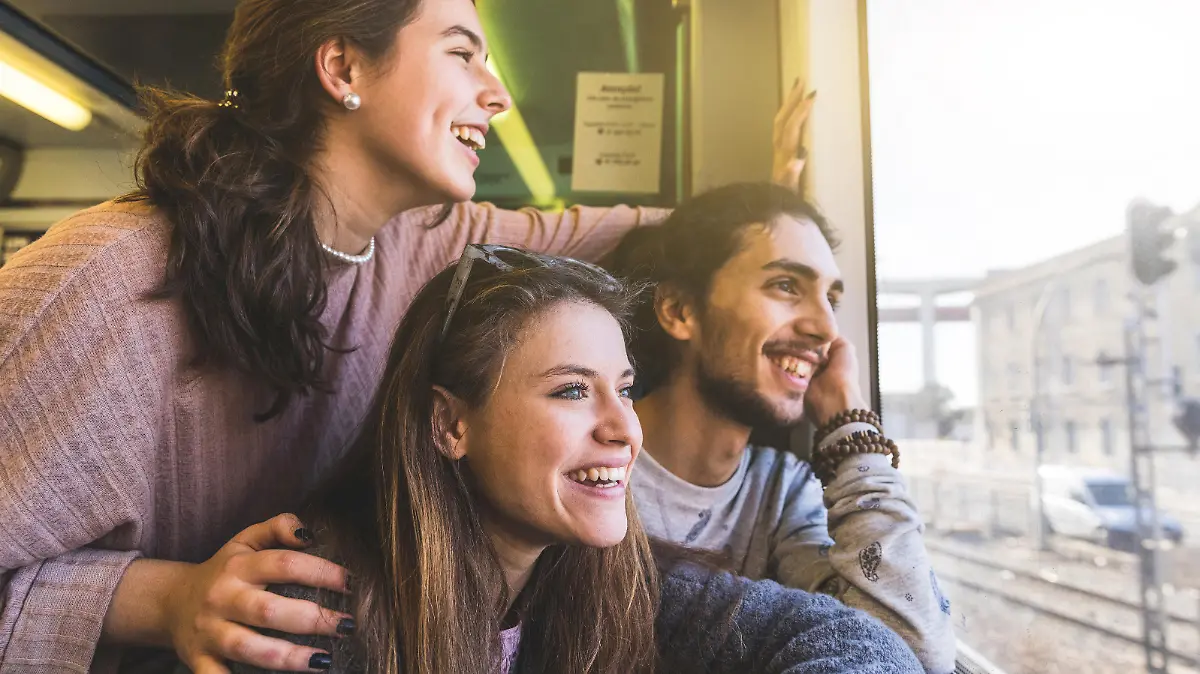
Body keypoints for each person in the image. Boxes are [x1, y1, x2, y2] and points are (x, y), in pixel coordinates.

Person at [0, 0, 815, 670]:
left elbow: (620, 231)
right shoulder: (104, 279)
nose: (497, 94)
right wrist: (164, 598)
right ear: (343, 68)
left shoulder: (418, 241)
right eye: (464, 54)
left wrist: (768, 216)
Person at [223, 244, 925, 673]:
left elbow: (873, 648)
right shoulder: (315, 604)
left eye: (624, 389)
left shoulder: (608, 584)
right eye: (570, 391)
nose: (624, 428)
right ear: (449, 424)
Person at [605, 183, 958, 674]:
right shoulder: (594, 461)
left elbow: (910, 651)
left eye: (830, 297)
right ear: (680, 311)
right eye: (787, 286)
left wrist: (850, 426)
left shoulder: (784, 492)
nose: (827, 329)